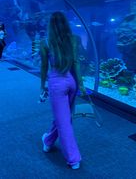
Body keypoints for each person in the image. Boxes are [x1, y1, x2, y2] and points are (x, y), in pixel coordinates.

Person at [40, 11, 85, 170]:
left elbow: (44, 67)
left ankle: (74, 159)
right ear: (66, 24)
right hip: (71, 82)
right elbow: (76, 63)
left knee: (64, 122)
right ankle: (48, 140)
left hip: (56, 84)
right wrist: (81, 86)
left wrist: (42, 86)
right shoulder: (73, 39)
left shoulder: (45, 42)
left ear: (50, 25)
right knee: (64, 118)